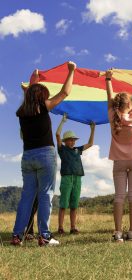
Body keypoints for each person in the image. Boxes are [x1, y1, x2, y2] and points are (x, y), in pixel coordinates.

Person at [11, 61, 76, 246]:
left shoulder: (23, 112)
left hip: (27, 157)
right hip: (45, 156)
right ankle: (45, 236)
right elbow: (65, 92)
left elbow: (30, 95)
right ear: (41, 97)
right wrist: (71, 71)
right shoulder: (43, 107)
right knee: (45, 195)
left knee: (27, 196)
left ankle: (17, 236)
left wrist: (34, 79)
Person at [105, 69, 132, 242]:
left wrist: (108, 78)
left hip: (119, 162)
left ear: (116, 105)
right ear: (129, 105)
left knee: (119, 196)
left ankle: (118, 232)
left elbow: (109, 97)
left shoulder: (113, 116)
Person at [56, 115, 95, 234]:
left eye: (74, 140)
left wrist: (93, 129)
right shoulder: (62, 149)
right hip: (67, 178)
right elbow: (57, 135)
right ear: (65, 141)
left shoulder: (78, 150)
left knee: (74, 205)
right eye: (70, 139)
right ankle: (61, 228)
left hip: (78, 178)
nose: (72, 141)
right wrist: (62, 122)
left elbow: (90, 144)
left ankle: (73, 227)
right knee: (63, 204)